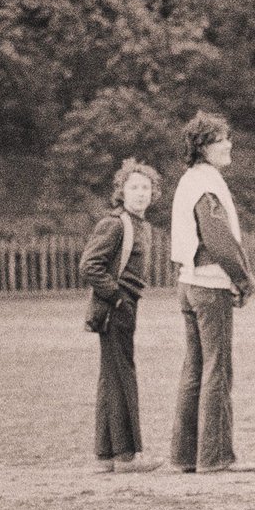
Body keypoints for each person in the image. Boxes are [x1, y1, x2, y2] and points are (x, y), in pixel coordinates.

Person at [168, 111, 255, 473]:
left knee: (195, 369)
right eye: (222, 139)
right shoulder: (207, 183)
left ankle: (184, 456)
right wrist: (243, 279)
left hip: (189, 283)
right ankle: (215, 456)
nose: (229, 144)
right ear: (204, 146)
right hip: (209, 284)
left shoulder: (190, 179)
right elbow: (217, 237)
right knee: (217, 369)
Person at [80, 158, 165, 474]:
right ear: (122, 191)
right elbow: (89, 265)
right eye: (134, 187)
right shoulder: (115, 223)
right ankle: (127, 455)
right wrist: (116, 298)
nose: (141, 193)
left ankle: (106, 455)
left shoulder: (142, 225)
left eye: (146, 187)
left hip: (126, 305)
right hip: (116, 307)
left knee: (112, 376)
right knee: (122, 376)